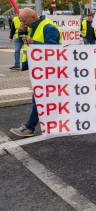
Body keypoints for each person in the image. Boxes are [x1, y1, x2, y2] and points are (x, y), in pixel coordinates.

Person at [10, 8, 62, 137]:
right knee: (45, 99)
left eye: (24, 20)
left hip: (50, 70)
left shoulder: (49, 27)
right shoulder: (34, 26)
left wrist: (34, 42)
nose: (23, 23)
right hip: (42, 70)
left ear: (33, 17)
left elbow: (54, 49)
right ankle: (60, 125)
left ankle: (29, 127)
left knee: (38, 99)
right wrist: (23, 32)